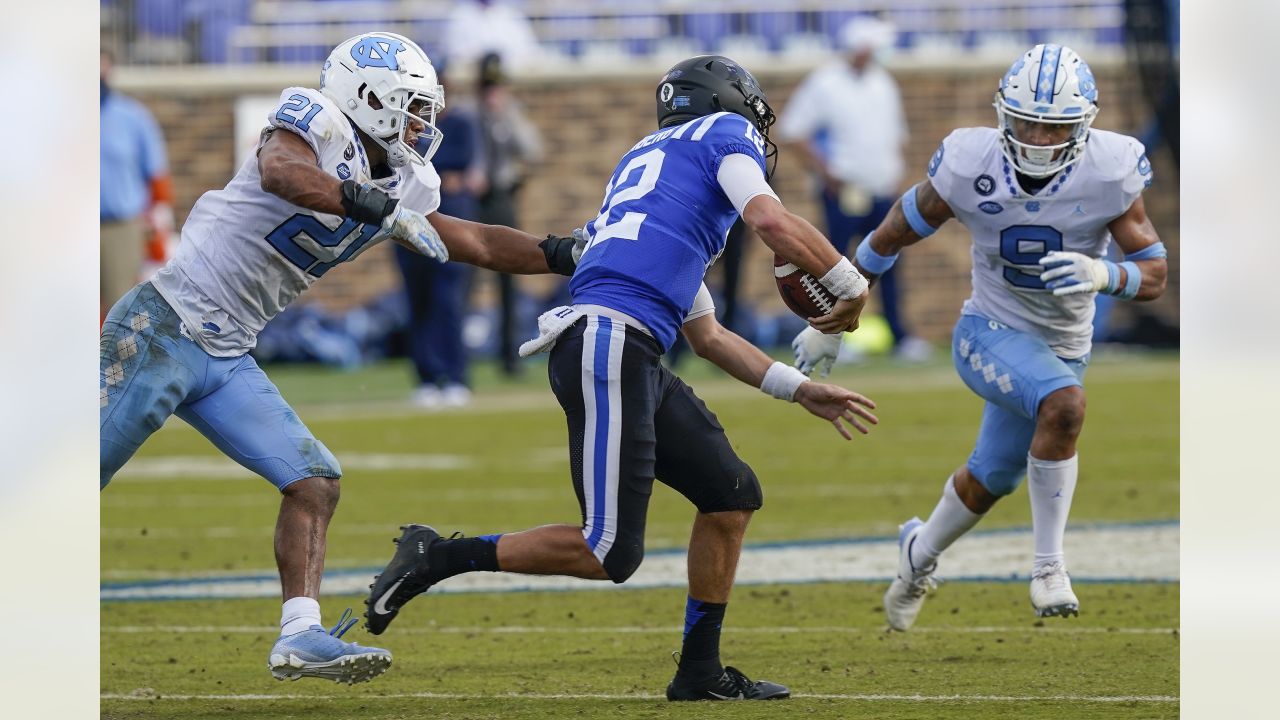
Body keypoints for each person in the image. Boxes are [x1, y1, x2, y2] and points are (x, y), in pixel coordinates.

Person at [364, 55, 880, 701]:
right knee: (608, 551)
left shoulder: (658, 176)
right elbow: (771, 222)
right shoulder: (724, 136)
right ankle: (436, 556)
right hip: (608, 341)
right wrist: (849, 287)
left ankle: (699, 672)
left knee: (731, 493)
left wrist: (800, 389)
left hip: (621, 342)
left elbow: (708, 336)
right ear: (730, 104)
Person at [99, 32, 585, 684]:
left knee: (314, 481)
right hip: (163, 328)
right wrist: (373, 205)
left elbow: (474, 241)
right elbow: (282, 170)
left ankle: (299, 634)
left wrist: (563, 253)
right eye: (412, 107)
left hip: (227, 352)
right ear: (371, 97)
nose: (423, 123)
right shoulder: (317, 117)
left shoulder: (409, 175)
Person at [792, 44, 1169, 629]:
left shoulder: (1110, 169)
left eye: (1056, 128)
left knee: (993, 475)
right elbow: (893, 232)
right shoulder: (971, 162)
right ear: (1003, 114)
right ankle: (1048, 566)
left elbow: (1153, 276)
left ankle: (918, 554)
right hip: (986, 329)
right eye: (1028, 123)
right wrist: (840, 312)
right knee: (1064, 405)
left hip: (1064, 344)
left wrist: (1104, 273)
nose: (1040, 139)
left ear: (1083, 126)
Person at [776, 16, 929, 362]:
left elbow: (895, 135)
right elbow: (795, 131)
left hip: (880, 189)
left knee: (887, 260)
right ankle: (833, 336)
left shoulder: (883, 83)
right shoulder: (825, 83)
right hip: (843, 191)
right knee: (834, 263)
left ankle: (898, 334)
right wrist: (826, 172)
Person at [394, 65, 487, 409]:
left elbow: (451, 158)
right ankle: (427, 377)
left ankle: (456, 376)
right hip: (409, 221)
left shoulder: (459, 122)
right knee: (418, 302)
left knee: (448, 303)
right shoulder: (403, 128)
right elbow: (410, 162)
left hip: (451, 221)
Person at [474, 52, 545, 375]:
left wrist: (507, 116)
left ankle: (509, 356)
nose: (493, 93)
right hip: (472, 202)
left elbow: (533, 151)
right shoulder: (469, 115)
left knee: (509, 278)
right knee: (463, 280)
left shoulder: (509, 113)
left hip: (501, 197)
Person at [100, 47, 173, 318]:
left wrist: (158, 224)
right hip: (67, 224)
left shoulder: (132, 117)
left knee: (119, 309)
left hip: (119, 226)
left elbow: (157, 175)